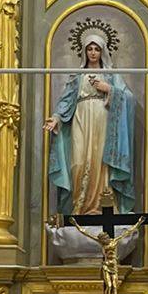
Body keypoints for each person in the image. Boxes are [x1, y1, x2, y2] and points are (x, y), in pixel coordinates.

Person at [46, 30, 135, 221]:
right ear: (84, 52)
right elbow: (66, 100)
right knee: (78, 162)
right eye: (89, 49)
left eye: (97, 49)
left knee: (101, 162)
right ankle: (80, 206)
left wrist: (109, 89)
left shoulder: (110, 75)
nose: (93, 52)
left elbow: (128, 98)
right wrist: (56, 118)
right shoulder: (78, 76)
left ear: (102, 52)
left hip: (103, 119)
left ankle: (102, 208)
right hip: (80, 118)